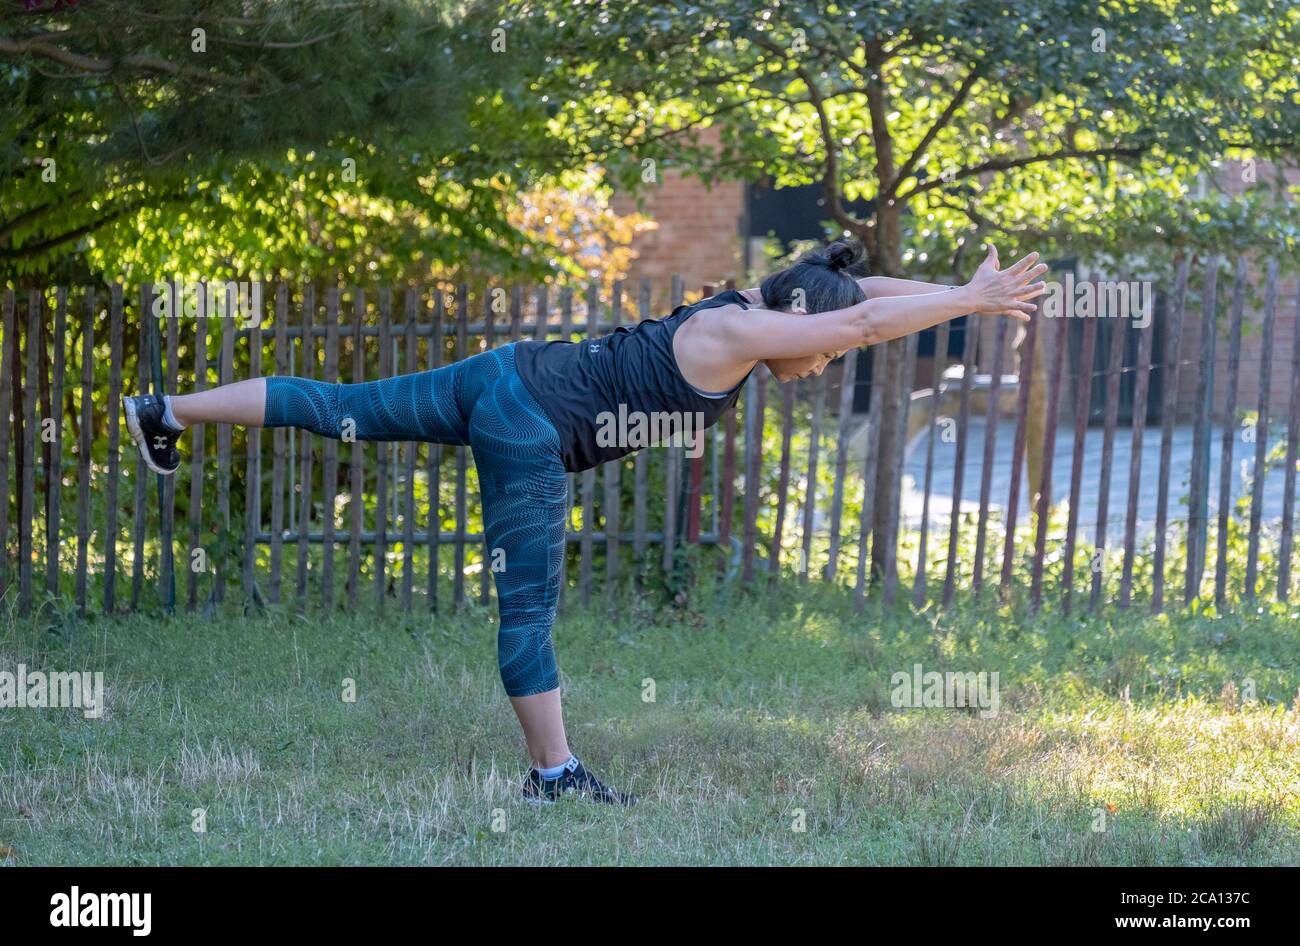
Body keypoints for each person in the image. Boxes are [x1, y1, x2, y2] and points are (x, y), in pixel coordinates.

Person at [122, 240, 1047, 805]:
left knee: (338, 402)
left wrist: (956, 286)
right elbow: (855, 327)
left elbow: (854, 296)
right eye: (814, 348)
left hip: (508, 374)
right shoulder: (739, 337)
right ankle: (554, 776)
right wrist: (968, 303)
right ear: (797, 322)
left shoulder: (754, 299)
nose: (820, 366)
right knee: (529, 606)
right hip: (528, 428)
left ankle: (166, 410)